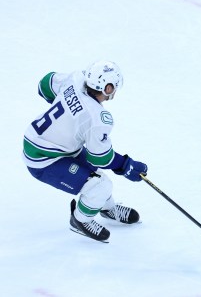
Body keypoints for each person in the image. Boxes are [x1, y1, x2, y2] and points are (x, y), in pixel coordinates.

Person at [23, 60, 148, 242]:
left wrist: (66, 111)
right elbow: (100, 158)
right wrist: (126, 165)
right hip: (43, 159)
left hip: (43, 142)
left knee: (96, 178)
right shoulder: (98, 118)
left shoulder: (75, 79)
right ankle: (81, 220)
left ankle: (105, 208)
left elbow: (44, 85)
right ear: (108, 89)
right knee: (100, 185)